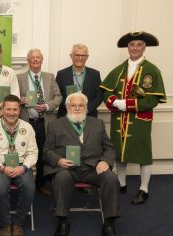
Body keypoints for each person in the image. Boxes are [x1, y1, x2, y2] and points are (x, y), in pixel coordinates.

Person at [100, 31, 166, 205]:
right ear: (127, 47)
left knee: (143, 154)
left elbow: (152, 99)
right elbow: (107, 92)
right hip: (118, 119)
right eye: (132, 45)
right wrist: (113, 101)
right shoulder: (119, 69)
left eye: (139, 44)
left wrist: (127, 104)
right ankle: (121, 183)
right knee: (119, 152)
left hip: (139, 120)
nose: (135, 48)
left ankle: (144, 189)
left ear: (145, 47)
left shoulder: (152, 70)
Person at [43, 92, 120, 236]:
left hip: (93, 168)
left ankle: (109, 222)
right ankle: (63, 220)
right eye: (73, 105)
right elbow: (47, 150)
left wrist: (105, 161)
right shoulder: (55, 125)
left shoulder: (98, 123)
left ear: (86, 107)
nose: (77, 108)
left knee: (111, 178)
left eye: (81, 105)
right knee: (61, 178)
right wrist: (58, 160)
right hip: (68, 168)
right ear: (67, 107)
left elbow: (109, 147)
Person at [0, 95, 37, 236]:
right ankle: (6, 224)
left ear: (19, 110)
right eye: (8, 109)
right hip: (0, 167)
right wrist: (2, 168)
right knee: (0, 188)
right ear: (2, 109)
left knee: (30, 187)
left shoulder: (28, 127)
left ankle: (18, 223)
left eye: (15, 109)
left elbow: (33, 153)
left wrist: (24, 167)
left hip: (22, 167)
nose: (11, 113)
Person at [18, 48, 62, 196]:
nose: (35, 60)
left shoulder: (50, 77)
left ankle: (41, 184)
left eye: (38, 58)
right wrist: (20, 100)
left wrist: (47, 106)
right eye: (32, 58)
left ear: (42, 60)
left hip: (45, 122)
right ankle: (25, 182)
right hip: (26, 122)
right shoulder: (19, 78)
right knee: (25, 153)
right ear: (28, 61)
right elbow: (12, 98)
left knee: (43, 154)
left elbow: (58, 97)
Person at [56, 43, 103, 118]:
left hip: (89, 116)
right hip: (65, 116)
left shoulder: (95, 74)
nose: (80, 58)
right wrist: (70, 108)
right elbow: (58, 96)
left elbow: (99, 96)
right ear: (71, 56)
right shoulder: (61, 74)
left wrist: (86, 109)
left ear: (87, 57)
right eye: (77, 55)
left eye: (83, 55)